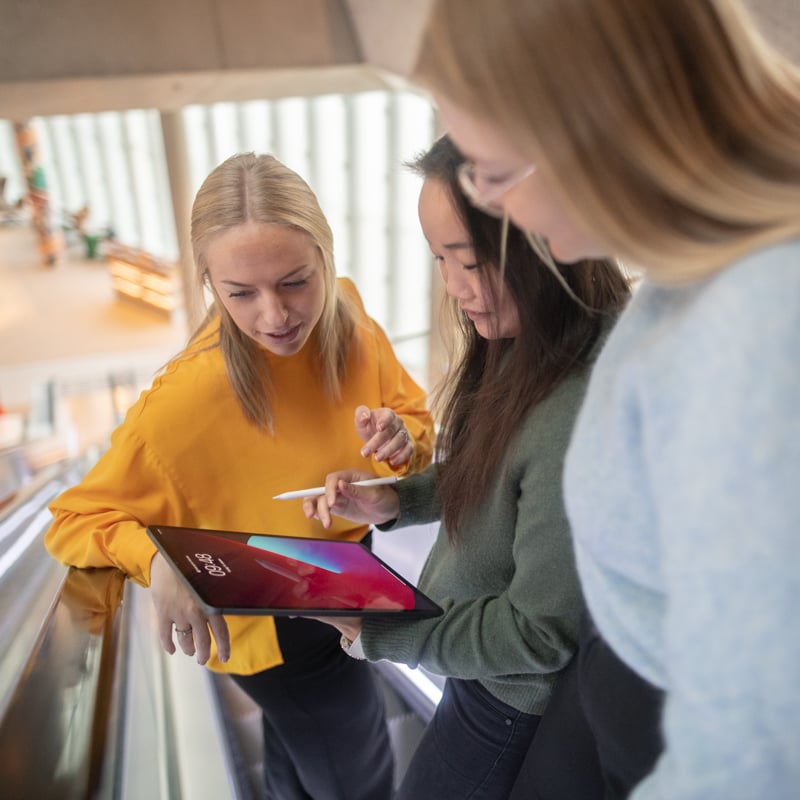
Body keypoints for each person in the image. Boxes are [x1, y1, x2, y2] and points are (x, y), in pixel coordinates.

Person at [410, 1, 800, 798]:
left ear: (581, 132)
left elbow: (757, 754)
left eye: (491, 173)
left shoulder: (757, 339)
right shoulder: (698, 282)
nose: (498, 206)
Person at [44, 152, 435, 800]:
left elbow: (413, 416)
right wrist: (161, 562)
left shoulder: (347, 314)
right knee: (360, 781)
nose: (275, 317)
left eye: (294, 281)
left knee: (297, 760)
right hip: (272, 627)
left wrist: (401, 442)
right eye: (241, 293)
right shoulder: (184, 403)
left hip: (345, 578)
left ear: (325, 257)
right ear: (207, 283)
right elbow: (73, 518)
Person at [302, 134, 631, 799]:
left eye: (471, 261)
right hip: (473, 665)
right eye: (438, 260)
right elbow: (505, 478)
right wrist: (397, 501)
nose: (454, 289)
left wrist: (385, 633)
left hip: (508, 699)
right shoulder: (528, 337)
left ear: (549, 242)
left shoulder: (579, 412)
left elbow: (538, 635)